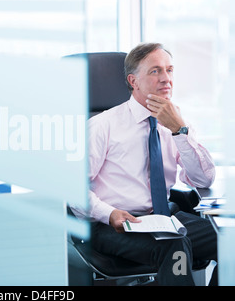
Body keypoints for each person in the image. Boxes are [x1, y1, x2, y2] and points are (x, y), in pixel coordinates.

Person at [72, 42, 218, 285]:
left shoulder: (176, 122)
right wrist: (109, 214)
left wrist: (179, 130)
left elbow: (204, 179)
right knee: (175, 246)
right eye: (155, 71)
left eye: (169, 70)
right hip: (114, 225)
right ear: (133, 81)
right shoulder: (102, 126)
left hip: (164, 219)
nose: (166, 79)